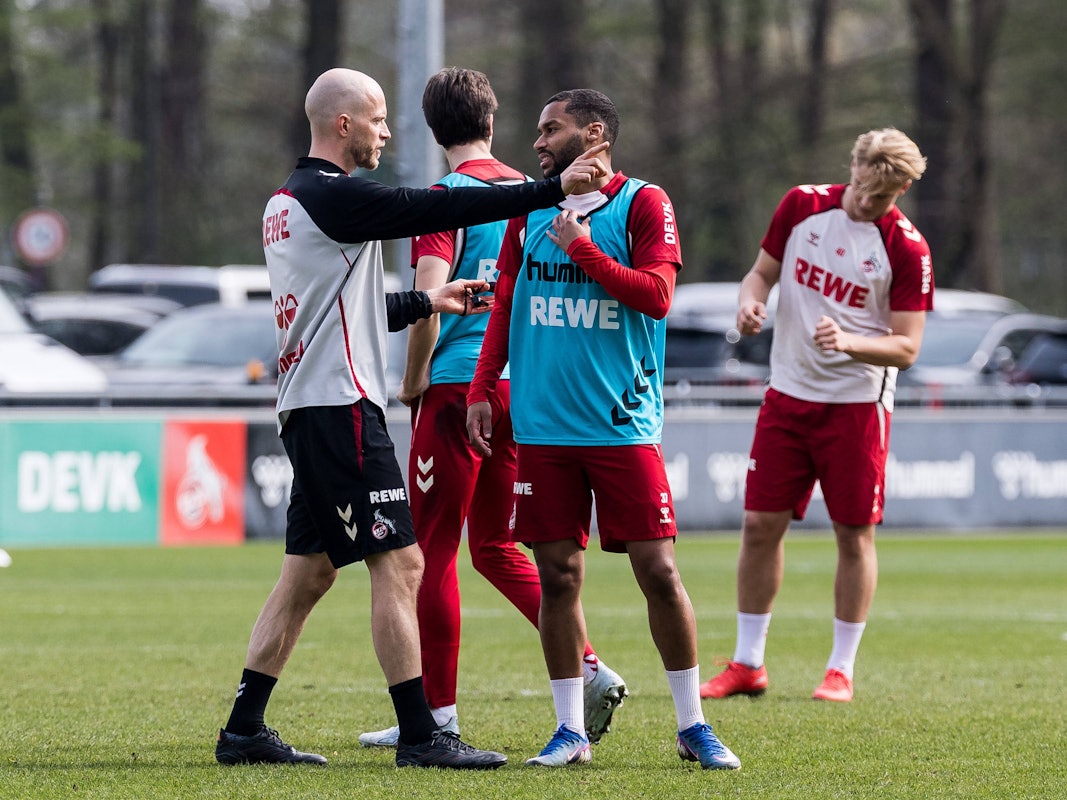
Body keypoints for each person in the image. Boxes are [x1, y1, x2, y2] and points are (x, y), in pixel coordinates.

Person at [214, 67, 609, 769]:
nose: (387, 133)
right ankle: (423, 736)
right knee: (402, 564)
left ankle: (244, 729)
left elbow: (344, 308)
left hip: (312, 403)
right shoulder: (331, 193)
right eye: (376, 119)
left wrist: (431, 301)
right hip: (340, 405)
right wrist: (552, 190)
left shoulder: (288, 201)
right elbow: (431, 207)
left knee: (308, 574)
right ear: (342, 124)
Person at [465, 88, 741, 770]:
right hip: (543, 427)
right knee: (557, 577)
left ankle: (692, 725)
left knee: (659, 571)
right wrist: (482, 387)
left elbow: (656, 296)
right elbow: (505, 303)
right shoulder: (529, 209)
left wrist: (582, 249)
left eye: (550, 129)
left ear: (593, 135)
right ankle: (569, 731)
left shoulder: (644, 203)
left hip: (622, 424)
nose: (537, 141)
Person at [357, 68, 627, 751]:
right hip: (519, 388)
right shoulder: (534, 190)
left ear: (431, 127)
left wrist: (412, 382)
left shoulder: (444, 198)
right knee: (497, 547)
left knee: (430, 552)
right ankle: (589, 667)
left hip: (458, 388)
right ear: (492, 120)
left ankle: (436, 717)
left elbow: (430, 299)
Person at [699, 127, 932, 704]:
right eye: (861, 187)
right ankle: (748, 663)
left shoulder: (908, 248)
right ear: (852, 167)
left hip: (857, 406)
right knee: (759, 526)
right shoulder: (801, 206)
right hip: (787, 394)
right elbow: (760, 274)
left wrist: (851, 342)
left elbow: (907, 347)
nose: (866, 201)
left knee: (853, 533)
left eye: (881, 197)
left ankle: (840, 669)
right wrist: (749, 303)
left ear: (902, 190)